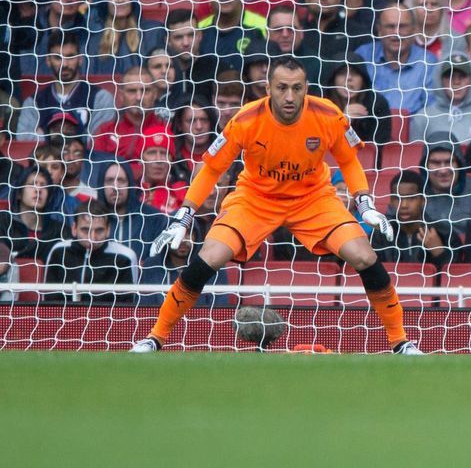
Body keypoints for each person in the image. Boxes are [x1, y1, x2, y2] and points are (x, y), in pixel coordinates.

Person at [130, 56, 423, 355]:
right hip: (256, 198)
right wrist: (185, 214)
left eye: (297, 88)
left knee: (364, 256)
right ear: (267, 88)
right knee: (209, 257)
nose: (289, 97)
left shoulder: (327, 114)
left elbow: (348, 160)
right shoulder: (245, 119)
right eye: (282, 87)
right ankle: (155, 338)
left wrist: (363, 202)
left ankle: (400, 341)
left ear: (306, 88)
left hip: (313, 198)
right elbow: (212, 169)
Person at [44, 204, 139, 305]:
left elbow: (128, 306)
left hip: (107, 318)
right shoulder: (59, 252)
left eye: (99, 230)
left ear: (108, 230)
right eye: (85, 230)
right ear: (74, 229)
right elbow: (48, 300)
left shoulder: (124, 257)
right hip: (62, 318)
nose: (92, 238)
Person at [407, 54, 471, 145]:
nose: (456, 82)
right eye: (450, 76)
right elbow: (416, 157)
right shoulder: (423, 117)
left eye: (462, 76)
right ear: (440, 80)